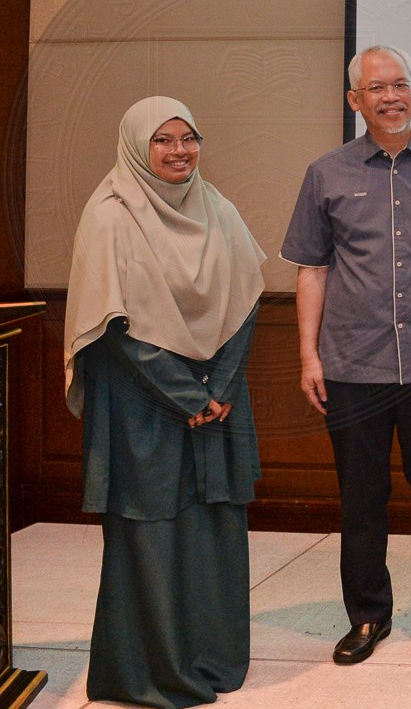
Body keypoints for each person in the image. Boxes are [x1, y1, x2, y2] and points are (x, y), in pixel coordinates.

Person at [282, 45, 411, 665]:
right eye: (377, 88)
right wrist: (309, 356)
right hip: (353, 365)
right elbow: (312, 270)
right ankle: (368, 616)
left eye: (401, 85)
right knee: (361, 500)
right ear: (355, 100)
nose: (391, 96)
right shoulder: (326, 173)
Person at [64, 97, 266, 708]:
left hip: (216, 403)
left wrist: (220, 388)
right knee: (152, 533)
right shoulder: (110, 216)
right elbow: (114, 328)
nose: (180, 151)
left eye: (188, 138)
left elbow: (245, 300)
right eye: (163, 140)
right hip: (141, 409)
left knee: (214, 528)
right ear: (136, 146)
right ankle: (153, 673)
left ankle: (214, 658)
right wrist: (188, 395)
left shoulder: (218, 208)